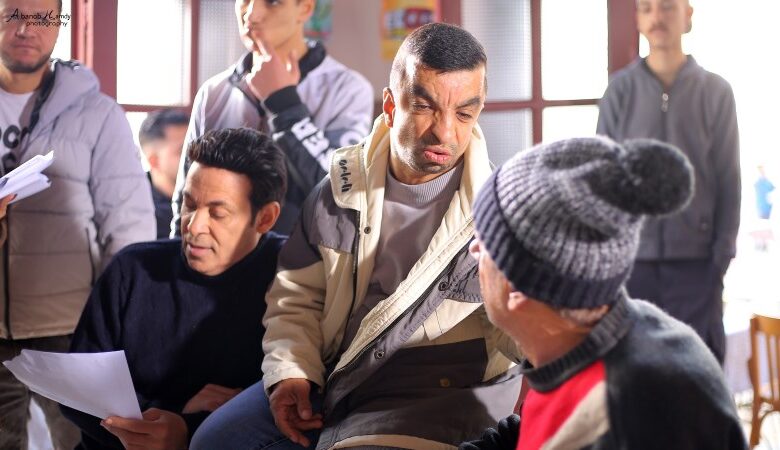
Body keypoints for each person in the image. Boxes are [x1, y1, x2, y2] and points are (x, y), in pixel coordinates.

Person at [191, 23, 522, 450]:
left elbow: (530, 326)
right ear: (390, 106)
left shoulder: (500, 212)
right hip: (336, 371)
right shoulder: (337, 190)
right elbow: (296, 298)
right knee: (213, 441)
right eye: (424, 107)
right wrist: (291, 373)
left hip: (438, 390)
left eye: (464, 114)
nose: (445, 133)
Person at [460, 136, 747, 449]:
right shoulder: (604, 342)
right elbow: (531, 430)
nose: (474, 249)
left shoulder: (628, 420)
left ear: (516, 289)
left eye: (485, 242)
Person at [61, 128, 288, 450]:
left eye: (217, 213)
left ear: (265, 218)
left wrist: (190, 431)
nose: (193, 226)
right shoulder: (133, 269)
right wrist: (172, 414)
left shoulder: (293, 278)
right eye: (188, 204)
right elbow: (76, 388)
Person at [0, 0, 155, 448]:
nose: (28, 28)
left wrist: (118, 322)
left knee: (84, 442)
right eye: (13, 14)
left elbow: (127, 226)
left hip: (70, 326)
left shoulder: (98, 113)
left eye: (44, 17)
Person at [596, 0, 740, 364]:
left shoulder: (716, 91)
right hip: (632, 267)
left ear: (687, 15)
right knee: (636, 372)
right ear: (639, 20)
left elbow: (729, 178)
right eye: (647, 8)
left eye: (667, 7)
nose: (657, 16)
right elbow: (605, 179)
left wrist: (720, 256)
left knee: (697, 373)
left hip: (697, 264)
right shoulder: (619, 91)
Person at [171, 0, 374, 235]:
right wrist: (178, 252)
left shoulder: (347, 88)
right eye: (245, 0)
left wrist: (284, 104)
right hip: (217, 254)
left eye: (273, 2)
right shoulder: (213, 91)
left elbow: (343, 191)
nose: (251, 15)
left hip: (302, 255)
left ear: (305, 9)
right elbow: (186, 195)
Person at [139, 109, 190, 239]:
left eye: (194, 145)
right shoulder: (139, 213)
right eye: (183, 151)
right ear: (154, 161)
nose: (193, 155)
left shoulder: (206, 196)